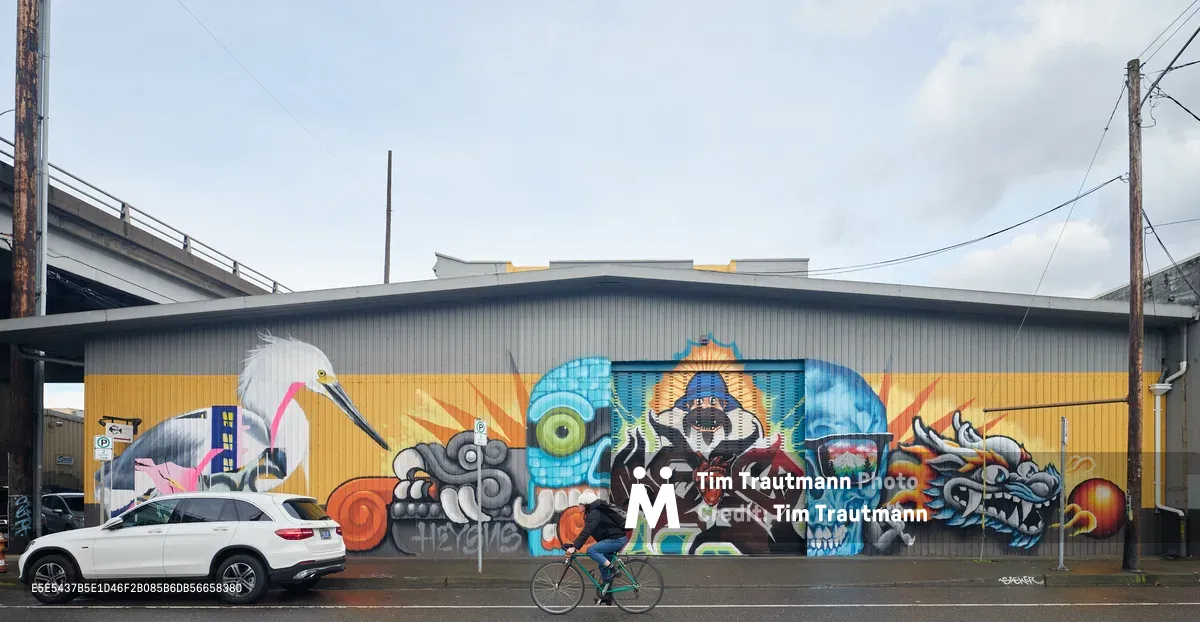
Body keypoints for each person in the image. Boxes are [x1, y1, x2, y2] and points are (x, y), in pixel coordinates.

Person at [564, 490, 629, 596]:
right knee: (603, 566)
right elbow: (586, 532)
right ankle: (606, 593)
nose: (578, 506)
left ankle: (614, 569)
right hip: (614, 539)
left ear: (586, 504)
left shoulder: (595, 513)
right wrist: (573, 545)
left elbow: (586, 532)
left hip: (616, 540)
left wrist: (575, 547)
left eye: (580, 504)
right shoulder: (594, 512)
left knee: (591, 551)